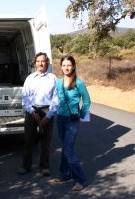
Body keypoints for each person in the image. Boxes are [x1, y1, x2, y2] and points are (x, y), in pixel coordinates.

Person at [53, 55, 91, 191]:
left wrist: (81, 114)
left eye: (69, 65)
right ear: (61, 67)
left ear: (74, 66)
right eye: (64, 65)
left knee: (68, 150)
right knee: (64, 147)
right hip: (60, 119)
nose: (66, 68)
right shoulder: (58, 82)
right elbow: (56, 99)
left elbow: (87, 100)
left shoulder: (79, 82)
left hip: (71, 121)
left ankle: (81, 179)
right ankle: (64, 174)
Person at [18, 52, 59, 176]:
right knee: (28, 140)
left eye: (43, 61)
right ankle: (26, 166)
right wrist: (32, 112)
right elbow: (25, 98)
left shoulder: (53, 78)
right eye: (38, 61)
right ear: (35, 63)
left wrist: (48, 116)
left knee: (45, 142)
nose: (41, 63)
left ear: (47, 62)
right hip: (32, 110)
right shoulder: (30, 78)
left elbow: (56, 99)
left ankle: (44, 167)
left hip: (47, 111)